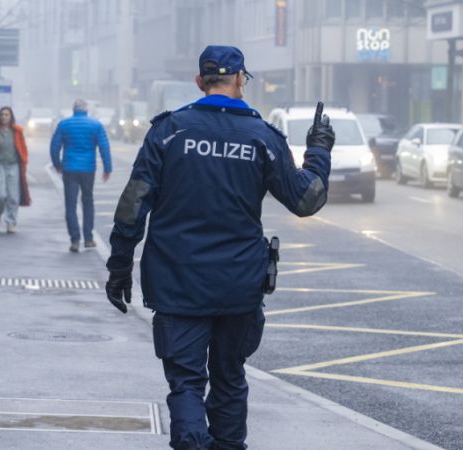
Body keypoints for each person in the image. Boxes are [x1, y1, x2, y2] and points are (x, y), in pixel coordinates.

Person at [105, 45, 334, 450]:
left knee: (186, 383)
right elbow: (306, 200)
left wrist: (119, 266)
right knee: (230, 378)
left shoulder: (169, 131)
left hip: (177, 285)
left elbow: (132, 206)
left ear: (199, 81)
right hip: (238, 286)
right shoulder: (262, 137)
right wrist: (318, 150)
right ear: (240, 81)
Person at [50, 99, 112, 252]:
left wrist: (57, 164)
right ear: (86, 110)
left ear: (73, 109)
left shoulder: (64, 124)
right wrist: (107, 168)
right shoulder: (96, 125)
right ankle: (89, 238)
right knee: (88, 201)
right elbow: (104, 147)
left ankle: (75, 240)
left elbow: (54, 146)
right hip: (88, 169)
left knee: (70, 205)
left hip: (69, 168)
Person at [0, 106, 31, 234]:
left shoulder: (17, 131)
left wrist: (24, 161)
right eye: (2, 115)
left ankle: (10, 222)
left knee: (14, 196)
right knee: (0, 195)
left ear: (11, 117)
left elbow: (23, 148)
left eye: (7, 115)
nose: (4, 117)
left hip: (13, 165)